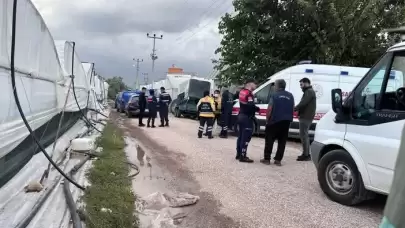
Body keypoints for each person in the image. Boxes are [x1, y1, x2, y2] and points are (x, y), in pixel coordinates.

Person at [260, 79, 294, 166]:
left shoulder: (274, 95)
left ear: (278, 86)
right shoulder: (290, 96)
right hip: (286, 121)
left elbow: (270, 108)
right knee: (282, 142)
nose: (274, 87)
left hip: (274, 121)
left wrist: (267, 119)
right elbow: (292, 108)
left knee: (269, 140)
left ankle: (267, 159)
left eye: (275, 85)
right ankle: (278, 160)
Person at [236, 79, 259, 163]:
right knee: (246, 137)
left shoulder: (242, 91)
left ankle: (238, 154)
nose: (256, 85)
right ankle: (243, 156)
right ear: (250, 84)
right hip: (247, 118)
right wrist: (257, 108)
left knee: (241, 136)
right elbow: (250, 105)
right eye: (255, 83)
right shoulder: (249, 94)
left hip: (241, 115)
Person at [294, 77, 316, 161]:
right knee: (304, 135)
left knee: (304, 135)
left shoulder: (309, 92)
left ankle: (306, 154)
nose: (300, 86)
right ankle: (306, 153)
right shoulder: (309, 91)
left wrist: (295, 108)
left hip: (306, 116)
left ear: (306, 83)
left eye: (301, 84)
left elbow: (303, 103)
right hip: (307, 116)